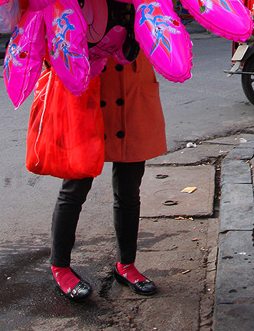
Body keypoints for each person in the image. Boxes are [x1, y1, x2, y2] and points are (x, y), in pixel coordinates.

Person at [47, 53, 167, 301]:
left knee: (129, 189)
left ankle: (126, 264)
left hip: (133, 88)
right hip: (89, 89)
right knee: (75, 187)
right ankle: (60, 266)